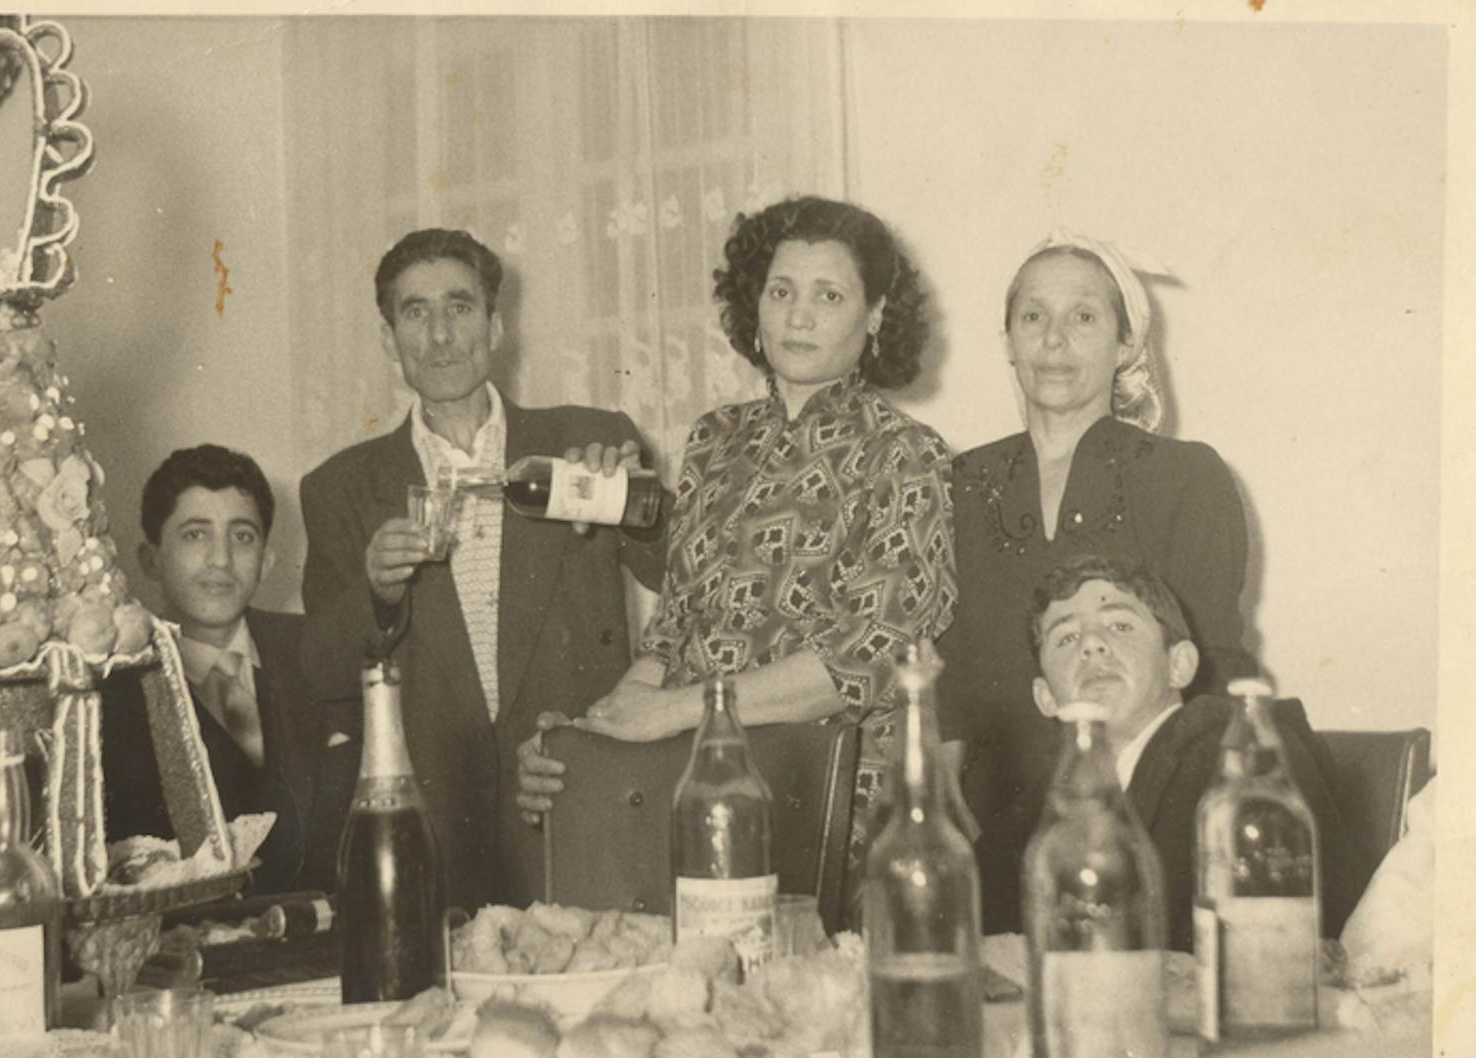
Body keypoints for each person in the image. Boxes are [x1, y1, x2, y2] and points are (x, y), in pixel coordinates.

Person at [517, 196, 957, 921]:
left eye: (829, 295)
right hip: (692, 794)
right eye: (780, 291)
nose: (798, 315)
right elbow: (673, 630)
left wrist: (673, 714)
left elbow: (868, 656)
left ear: (875, 315)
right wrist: (596, 727)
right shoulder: (715, 442)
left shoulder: (905, 454)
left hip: (826, 813)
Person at [299, 228, 668, 912]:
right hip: (433, 820)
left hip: (571, 793)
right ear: (389, 339)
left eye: (459, 307)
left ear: (496, 325)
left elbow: (684, 577)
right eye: (415, 312)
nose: (440, 335)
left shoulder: (583, 439)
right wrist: (378, 593)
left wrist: (634, 506)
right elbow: (320, 671)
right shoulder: (340, 487)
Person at [939, 230, 1259, 931]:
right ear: (1008, 341)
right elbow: (950, 672)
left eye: (1083, 316)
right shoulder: (958, 484)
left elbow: (1209, 669)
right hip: (994, 819)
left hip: (1148, 814)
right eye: (1032, 317)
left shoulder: (1185, 476)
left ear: (1124, 346)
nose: (1053, 340)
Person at [1026, 555, 1368, 951]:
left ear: (1179, 665)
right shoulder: (1041, 797)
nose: (1091, 645)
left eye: (1120, 626)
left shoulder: (1238, 760)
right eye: (1066, 638)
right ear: (1046, 697)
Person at [104, 444, 351, 895]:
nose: (220, 560)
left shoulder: (317, 650)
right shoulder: (113, 688)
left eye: (242, 537)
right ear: (151, 559)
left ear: (267, 562)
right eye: (195, 535)